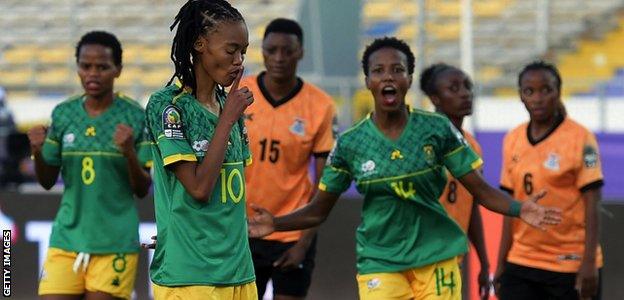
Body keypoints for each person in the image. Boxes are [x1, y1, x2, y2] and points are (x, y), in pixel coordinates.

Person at [249, 37, 562, 300]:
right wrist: (276, 223)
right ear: (368, 81)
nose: (388, 77)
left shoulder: (436, 130)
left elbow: (480, 191)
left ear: (409, 80)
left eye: (397, 70)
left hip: (436, 259)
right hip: (380, 261)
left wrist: (520, 209)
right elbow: (318, 209)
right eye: (379, 71)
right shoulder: (350, 144)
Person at [27, 31, 152, 300]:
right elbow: (47, 181)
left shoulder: (134, 116)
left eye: (102, 67)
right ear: (78, 68)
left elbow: (143, 188)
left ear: (118, 69)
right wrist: (37, 151)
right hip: (66, 239)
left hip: (115, 242)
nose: (92, 74)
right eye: (86, 66)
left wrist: (129, 152)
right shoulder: (63, 113)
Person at [144, 1, 256, 299]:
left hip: (240, 270)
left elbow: (231, 190)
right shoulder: (168, 106)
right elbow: (199, 188)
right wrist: (228, 118)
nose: (239, 61)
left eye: (243, 52)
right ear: (199, 44)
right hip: (192, 276)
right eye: (231, 50)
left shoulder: (229, 104)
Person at [240, 18, 337, 300]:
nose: (279, 58)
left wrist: (303, 243)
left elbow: (324, 182)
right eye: (272, 50)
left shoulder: (320, 105)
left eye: (288, 51)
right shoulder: (239, 94)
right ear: (262, 52)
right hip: (243, 230)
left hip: (292, 230)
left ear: (301, 52)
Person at [495, 61, 603, 300]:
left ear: (559, 91)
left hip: (568, 263)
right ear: (521, 96)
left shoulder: (581, 138)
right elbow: (510, 206)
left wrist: (588, 263)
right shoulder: (512, 138)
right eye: (529, 91)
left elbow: (593, 204)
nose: (538, 98)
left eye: (546, 90)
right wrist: (501, 261)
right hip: (522, 260)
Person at [420, 63, 490, 299]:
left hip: (451, 258)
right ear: (435, 98)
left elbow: (471, 206)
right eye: (454, 88)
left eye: (467, 86)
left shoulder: (473, 146)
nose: (465, 93)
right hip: (417, 258)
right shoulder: (421, 140)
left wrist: (484, 262)